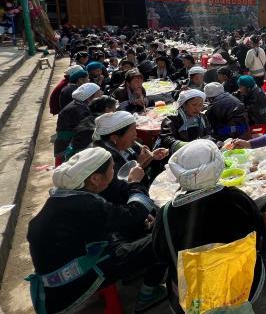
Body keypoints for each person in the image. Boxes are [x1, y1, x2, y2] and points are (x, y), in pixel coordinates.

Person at [27, 148, 167, 314]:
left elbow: (113, 217)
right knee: (162, 236)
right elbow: (134, 214)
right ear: (95, 178)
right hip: (74, 282)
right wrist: (135, 183)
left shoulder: (63, 197)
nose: (114, 172)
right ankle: (146, 296)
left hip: (59, 276)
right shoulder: (84, 205)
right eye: (112, 169)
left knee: (139, 228)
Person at [151, 140, 265, 312]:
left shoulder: (166, 214)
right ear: (218, 168)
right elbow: (259, 237)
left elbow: (161, 255)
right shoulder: (239, 199)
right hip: (243, 287)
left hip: (194, 300)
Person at [92, 111, 168, 205]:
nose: (136, 135)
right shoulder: (104, 159)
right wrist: (139, 163)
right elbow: (121, 191)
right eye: (132, 131)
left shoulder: (126, 147)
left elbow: (136, 170)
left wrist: (150, 157)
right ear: (114, 138)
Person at [55, 83, 103, 165]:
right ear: (90, 96)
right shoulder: (78, 110)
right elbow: (86, 130)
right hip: (67, 144)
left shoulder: (79, 105)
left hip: (67, 142)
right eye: (99, 92)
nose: (102, 93)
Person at [67, 95, 118, 160]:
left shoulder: (88, 119)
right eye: (114, 107)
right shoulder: (102, 125)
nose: (116, 110)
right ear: (107, 109)